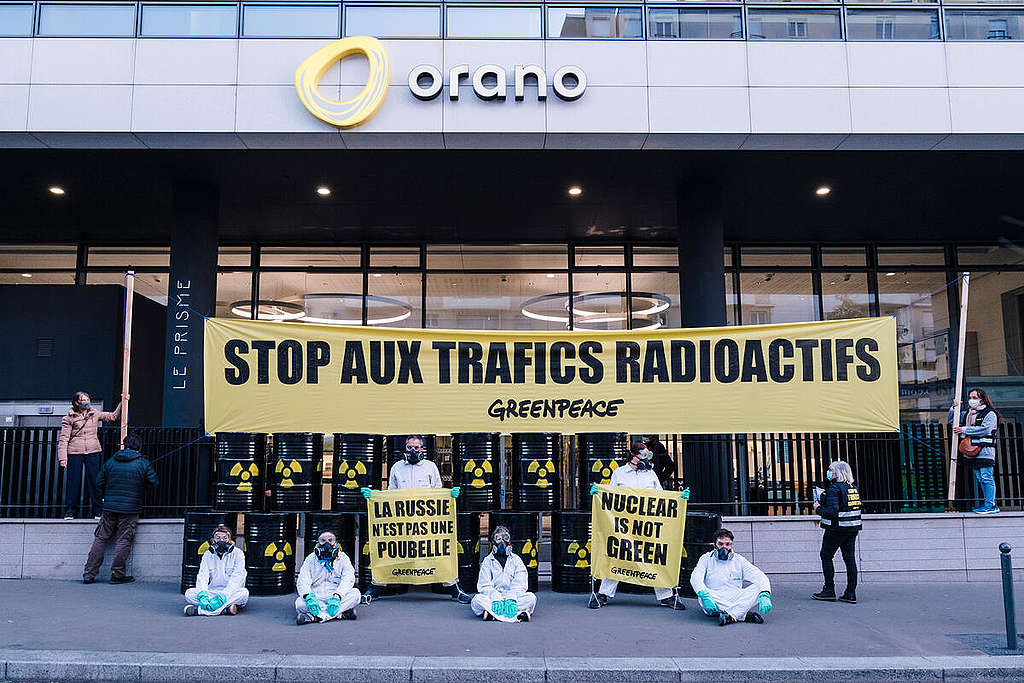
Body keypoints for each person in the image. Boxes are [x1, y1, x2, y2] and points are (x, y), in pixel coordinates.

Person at [360, 435, 471, 604]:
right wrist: (375, 496)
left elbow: (437, 491)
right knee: (393, 550)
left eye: (417, 447)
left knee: (436, 551)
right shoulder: (397, 467)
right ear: (405, 448)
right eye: (410, 447)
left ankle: (454, 588)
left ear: (422, 449)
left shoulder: (430, 467)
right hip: (402, 521)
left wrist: (449, 495)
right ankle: (375, 587)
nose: (413, 450)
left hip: (426, 521)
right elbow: (392, 493)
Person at [588, 441, 689, 610]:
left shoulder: (650, 475)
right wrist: (600, 494)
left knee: (654, 557)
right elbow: (612, 497)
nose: (647, 460)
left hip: (647, 526)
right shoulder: (619, 473)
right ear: (633, 456)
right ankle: (603, 594)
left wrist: (679, 499)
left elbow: (661, 498)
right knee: (618, 555)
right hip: (624, 526)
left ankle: (666, 596)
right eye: (643, 455)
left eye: (648, 455)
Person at [82, 432, 158, 584]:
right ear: (139, 447)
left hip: (109, 506)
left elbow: (99, 482)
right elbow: (154, 482)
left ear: (124, 444)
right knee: (123, 540)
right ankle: (117, 575)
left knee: (100, 538)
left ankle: (89, 574)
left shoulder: (111, 461)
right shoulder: (143, 463)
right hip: (130, 508)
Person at [58, 391, 124, 520]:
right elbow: (64, 439)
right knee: (73, 482)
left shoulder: (94, 414)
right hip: (74, 452)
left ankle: (98, 511)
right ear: (77, 402)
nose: (86, 401)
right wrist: (62, 458)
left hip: (93, 451)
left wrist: (123, 402)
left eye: (87, 399)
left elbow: (113, 417)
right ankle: (71, 511)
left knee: (95, 481)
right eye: (83, 399)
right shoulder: (68, 418)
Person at [691, 528, 772, 626]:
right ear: (714, 545)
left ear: (731, 545)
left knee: (760, 587)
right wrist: (705, 595)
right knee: (702, 596)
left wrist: (765, 594)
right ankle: (741, 614)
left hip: (735, 597)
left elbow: (758, 575)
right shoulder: (706, 558)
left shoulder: (739, 560)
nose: (724, 548)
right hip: (713, 598)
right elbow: (695, 577)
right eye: (720, 544)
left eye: (727, 544)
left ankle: (731, 616)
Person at [812, 460, 861, 604]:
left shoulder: (833, 489)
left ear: (837, 472)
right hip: (852, 528)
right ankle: (850, 593)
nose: (829, 472)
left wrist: (818, 508)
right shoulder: (853, 488)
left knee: (826, 555)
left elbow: (832, 512)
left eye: (830, 470)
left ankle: (829, 590)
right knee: (850, 559)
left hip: (836, 529)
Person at [950, 389, 1001, 514]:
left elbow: (985, 429)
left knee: (986, 476)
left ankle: (991, 505)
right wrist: (953, 408)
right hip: (971, 451)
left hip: (985, 450)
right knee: (980, 477)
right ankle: (988, 503)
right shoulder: (968, 413)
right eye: (970, 397)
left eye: (974, 397)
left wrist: (964, 430)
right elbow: (953, 421)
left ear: (982, 399)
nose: (971, 400)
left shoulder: (990, 413)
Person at [471, 526, 537, 623]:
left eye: (506, 538)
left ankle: (492, 614)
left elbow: (521, 584)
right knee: (477, 600)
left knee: (531, 598)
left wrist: (511, 598)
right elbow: (484, 585)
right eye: (498, 538)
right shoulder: (488, 561)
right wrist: (495, 597)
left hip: (513, 596)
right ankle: (517, 615)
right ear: (493, 542)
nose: (502, 542)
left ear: (509, 541)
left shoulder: (516, 560)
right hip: (493, 597)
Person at [295, 530, 362, 625]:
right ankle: (340, 614)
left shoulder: (343, 558)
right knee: (299, 603)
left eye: (330, 540)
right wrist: (308, 596)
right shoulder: (311, 558)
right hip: (316, 596)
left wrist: (338, 596)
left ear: (335, 543)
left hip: (335, 595)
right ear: (318, 543)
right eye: (323, 540)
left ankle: (315, 617)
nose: (327, 544)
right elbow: (303, 579)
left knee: (356, 594)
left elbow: (348, 578)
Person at [184, 524, 248, 616]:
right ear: (213, 540)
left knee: (244, 593)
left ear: (230, 540)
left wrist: (224, 595)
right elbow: (202, 576)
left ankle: (200, 611)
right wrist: (203, 595)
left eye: (225, 538)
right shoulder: (207, 555)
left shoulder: (238, 554)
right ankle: (225, 609)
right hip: (212, 592)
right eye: (218, 538)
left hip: (231, 593)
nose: (221, 541)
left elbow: (237, 578)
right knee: (189, 594)